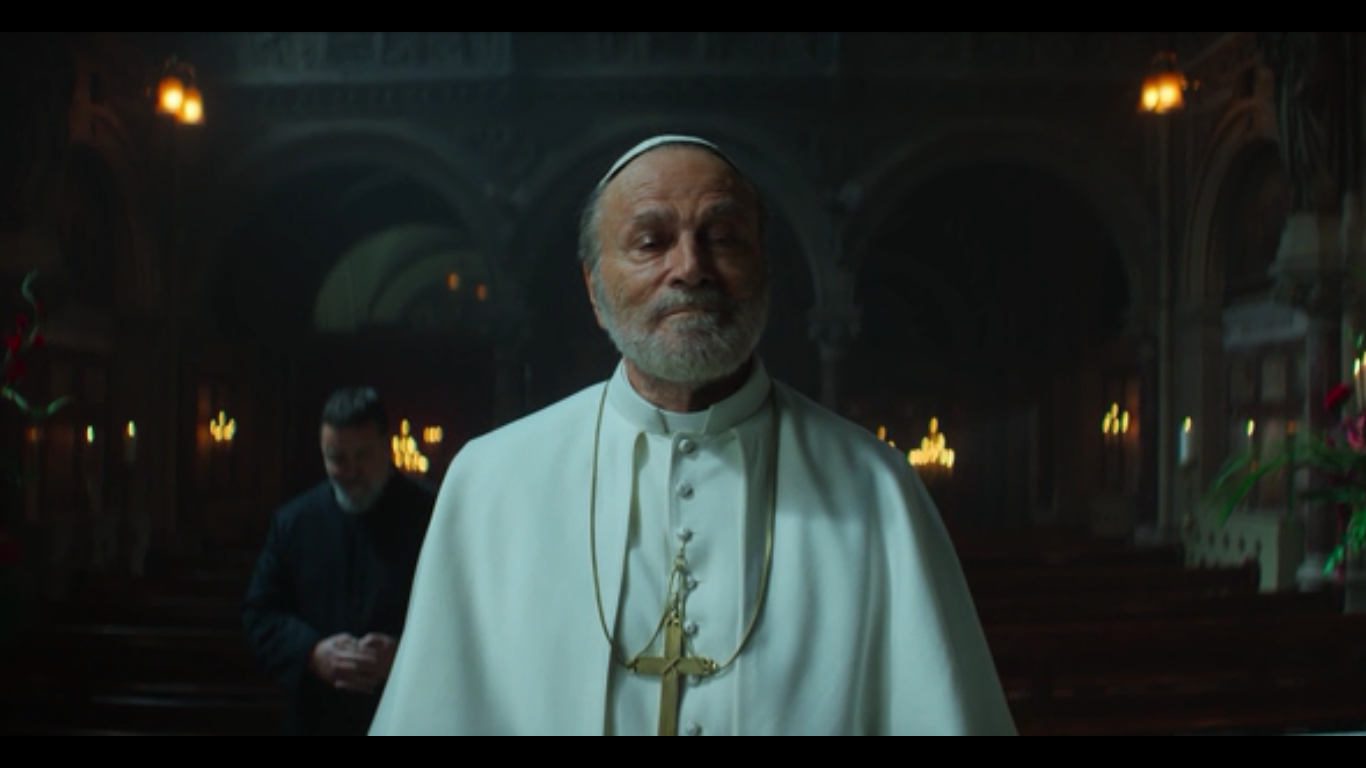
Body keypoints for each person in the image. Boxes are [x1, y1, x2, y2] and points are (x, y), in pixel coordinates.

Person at [369, 134, 1016, 736]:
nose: (690, 268)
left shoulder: (876, 487)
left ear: (763, 269)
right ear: (594, 289)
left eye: (724, 238)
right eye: (650, 242)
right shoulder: (492, 482)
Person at [243, 386, 436, 736]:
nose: (351, 471)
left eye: (363, 456)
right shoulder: (294, 522)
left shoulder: (431, 516)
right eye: (337, 458)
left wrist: (404, 655)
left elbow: (459, 616)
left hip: (408, 715)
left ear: (386, 445)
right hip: (318, 720)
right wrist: (313, 652)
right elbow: (259, 613)